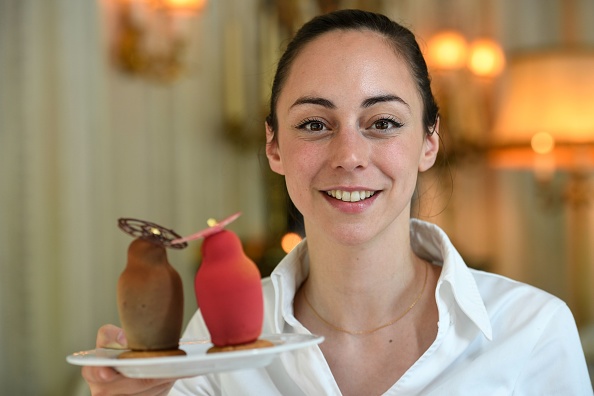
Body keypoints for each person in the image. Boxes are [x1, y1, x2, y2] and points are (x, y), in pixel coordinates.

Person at [82, 9, 593, 395]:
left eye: (384, 123)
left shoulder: (533, 329)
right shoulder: (210, 340)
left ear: (429, 143)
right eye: (314, 124)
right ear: (274, 146)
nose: (349, 155)